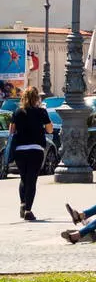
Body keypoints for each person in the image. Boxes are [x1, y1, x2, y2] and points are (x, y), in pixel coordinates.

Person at [8, 84, 48, 221]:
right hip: (36, 150)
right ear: (36, 98)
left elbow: (11, 131)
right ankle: (28, 211)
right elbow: (49, 129)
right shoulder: (41, 112)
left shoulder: (18, 112)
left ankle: (22, 204)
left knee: (24, 179)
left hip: (20, 151)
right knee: (32, 180)